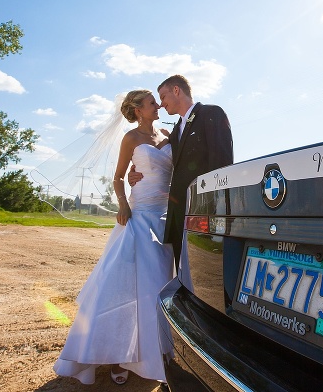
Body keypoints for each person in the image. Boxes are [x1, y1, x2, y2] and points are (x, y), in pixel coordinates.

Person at [53, 90, 175, 386]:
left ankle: (152, 351)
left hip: (166, 217)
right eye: (151, 103)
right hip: (139, 215)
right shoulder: (131, 139)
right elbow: (119, 176)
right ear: (137, 110)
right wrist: (122, 204)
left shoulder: (169, 135)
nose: (157, 105)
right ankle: (119, 355)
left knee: (160, 284)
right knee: (125, 286)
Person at [130, 74, 233, 266]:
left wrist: (212, 211)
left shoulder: (211, 114)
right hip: (178, 215)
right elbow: (158, 159)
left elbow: (222, 164)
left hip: (203, 213)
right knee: (181, 276)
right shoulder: (177, 130)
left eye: (163, 97)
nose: (161, 104)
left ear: (176, 90)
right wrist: (134, 171)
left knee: (204, 278)